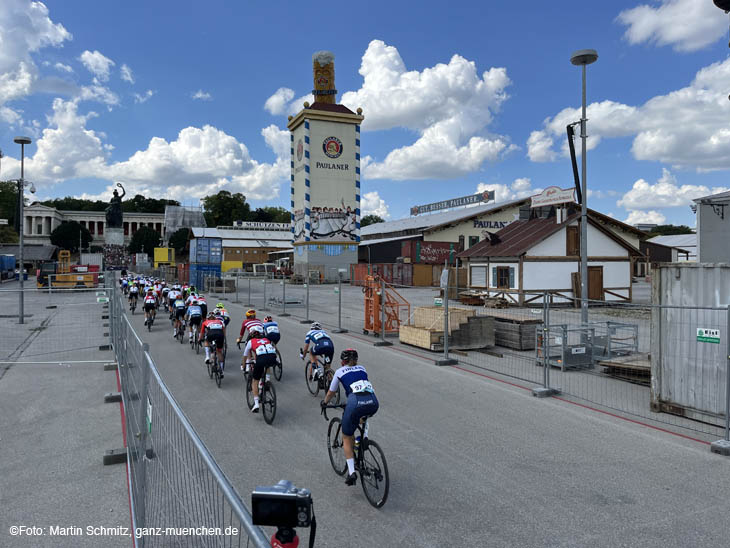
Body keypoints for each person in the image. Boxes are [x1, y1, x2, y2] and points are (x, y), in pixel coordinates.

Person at [321, 349, 378, 486]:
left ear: (342, 361)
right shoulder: (362, 368)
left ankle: (351, 472)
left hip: (354, 402)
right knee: (362, 417)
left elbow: (331, 392)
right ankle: (362, 439)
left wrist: (324, 403)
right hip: (373, 401)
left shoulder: (340, 371)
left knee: (346, 436)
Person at [241, 327, 277, 413]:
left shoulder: (250, 341)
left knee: (255, 380)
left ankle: (256, 403)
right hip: (272, 358)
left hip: (261, 359)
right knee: (267, 364)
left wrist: (243, 365)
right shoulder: (266, 339)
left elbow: (245, 356)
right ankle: (267, 381)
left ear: (251, 335)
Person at [200, 311, 226, 377]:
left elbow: (202, 333)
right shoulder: (219, 321)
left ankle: (207, 357)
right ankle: (222, 370)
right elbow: (223, 331)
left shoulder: (205, 322)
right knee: (219, 352)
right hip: (220, 335)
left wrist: (199, 339)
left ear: (208, 318)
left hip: (211, 334)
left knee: (206, 341)